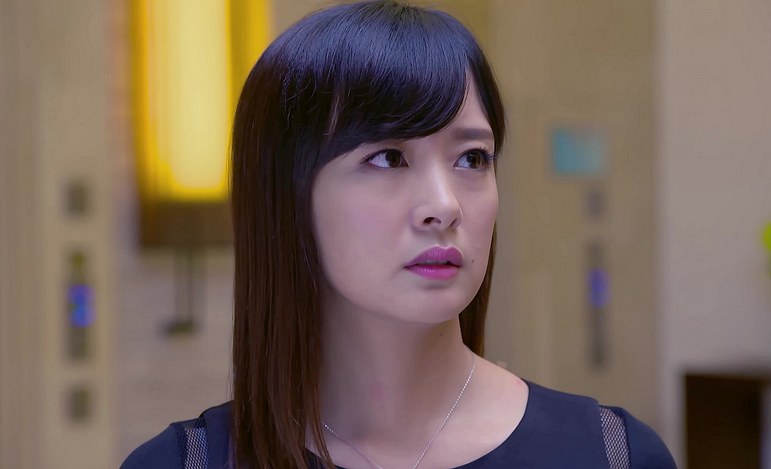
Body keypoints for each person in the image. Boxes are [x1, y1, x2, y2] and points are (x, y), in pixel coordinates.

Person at [122, 1, 677, 468]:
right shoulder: (186, 462)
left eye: (472, 157)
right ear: (285, 194)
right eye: (388, 157)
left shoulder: (611, 454)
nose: (444, 205)